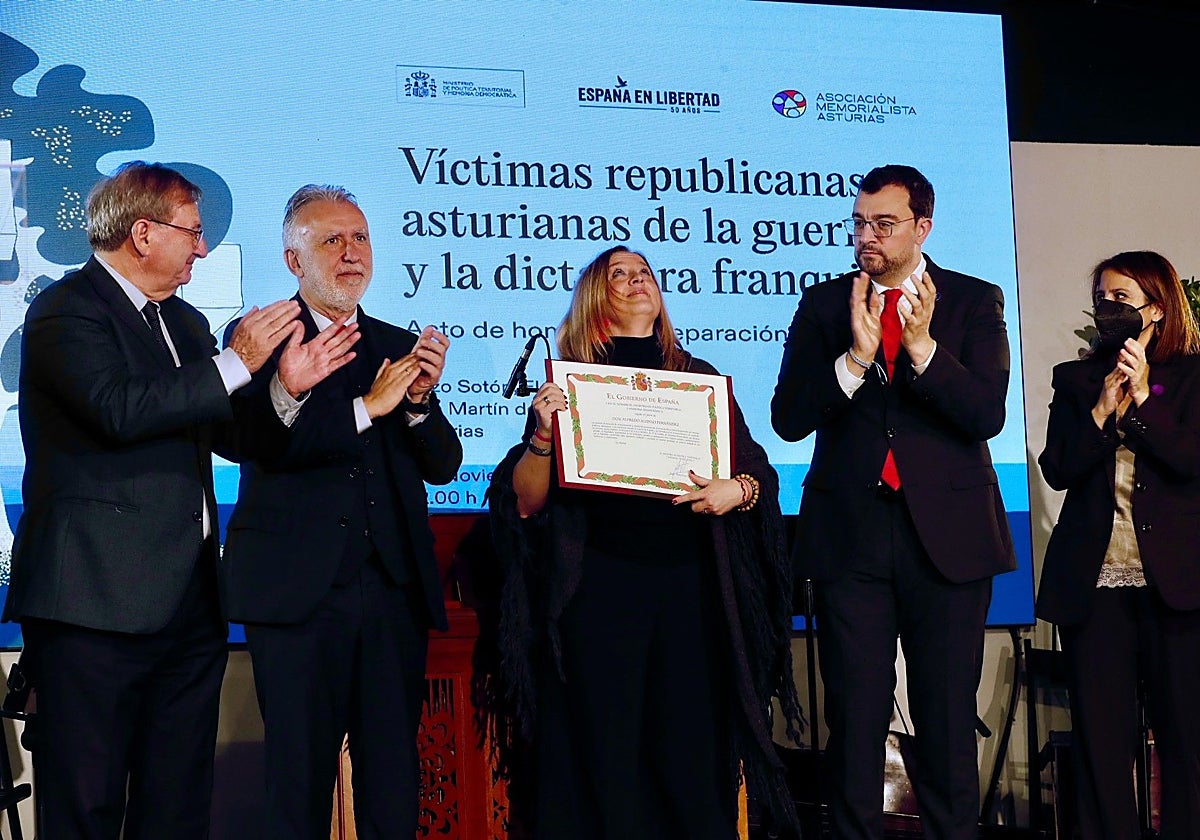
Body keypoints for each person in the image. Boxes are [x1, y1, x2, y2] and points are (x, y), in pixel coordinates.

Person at [3, 161, 356, 839]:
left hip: (189, 608)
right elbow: (117, 410)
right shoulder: (64, 310)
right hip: (92, 607)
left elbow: (229, 434)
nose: (201, 247)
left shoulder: (186, 323)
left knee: (179, 808)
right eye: (192, 232)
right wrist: (235, 363)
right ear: (142, 233)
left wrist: (286, 388)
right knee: (86, 805)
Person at [482, 245, 803, 840]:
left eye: (644, 273)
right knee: (605, 758)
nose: (635, 282)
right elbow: (523, 504)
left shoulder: (699, 377)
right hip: (598, 595)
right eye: (617, 275)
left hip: (690, 594)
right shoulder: (571, 381)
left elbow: (759, 473)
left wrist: (739, 489)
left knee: (687, 756)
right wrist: (543, 438)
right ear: (592, 302)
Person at [771, 164, 1015, 840]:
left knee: (943, 717)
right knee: (853, 717)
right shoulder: (824, 306)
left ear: (922, 227)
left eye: (883, 222)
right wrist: (851, 361)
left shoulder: (972, 300)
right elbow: (788, 417)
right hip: (851, 534)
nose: (865, 235)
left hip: (947, 536)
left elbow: (985, 413)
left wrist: (924, 349)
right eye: (858, 222)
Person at [219, 184, 463, 839]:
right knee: (296, 787)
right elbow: (261, 447)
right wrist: (367, 410)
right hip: (298, 596)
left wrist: (415, 403)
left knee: (392, 781)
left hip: (390, 594)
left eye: (359, 237)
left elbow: (442, 464)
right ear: (295, 261)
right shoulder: (259, 338)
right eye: (331, 240)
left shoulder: (394, 343)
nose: (351, 252)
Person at [1038, 251, 1200, 840]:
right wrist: (1104, 411)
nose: (1109, 310)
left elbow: (1189, 459)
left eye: (1122, 299)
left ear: (1156, 308)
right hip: (1096, 584)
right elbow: (1058, 468)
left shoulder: (1191, 377)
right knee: (1103, 746)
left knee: (1186, 741)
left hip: (1177, 587)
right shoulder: (1076, 379)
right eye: (1101, 299)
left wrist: (1144, 405)